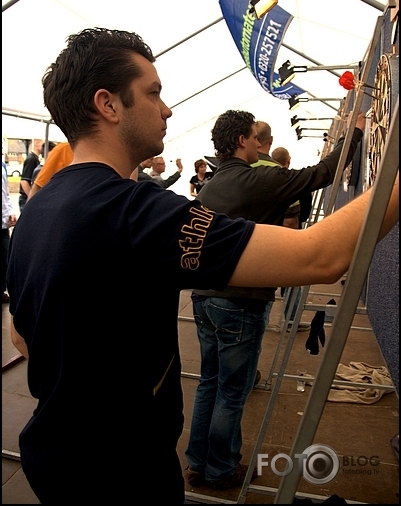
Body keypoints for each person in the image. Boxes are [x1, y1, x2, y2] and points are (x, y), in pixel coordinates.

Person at [6, 28, 398, 505]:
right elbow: (320, 254)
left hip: (56, 458)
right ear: (108, 104)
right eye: (153, 93)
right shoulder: (134, 212)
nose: (167, 108)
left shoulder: (39, 211)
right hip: (121, 473)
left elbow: (22, 336)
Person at [185, 108, 366, 488]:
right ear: (241, 142)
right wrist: (357, 132)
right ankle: (220, 470)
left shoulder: (211, 185)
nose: (258, 143)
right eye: (254, 137)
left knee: (209, 383)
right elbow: (320, 174)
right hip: (240, 301)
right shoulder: (256, 181)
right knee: (232, 392)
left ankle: (198, 463)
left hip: (205, 298)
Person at [2, 163, 17, 303]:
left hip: (3, 223)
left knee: (5, 258)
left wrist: (10, 211)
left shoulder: (2, 166)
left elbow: (5, 194)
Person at [18, 139, 43, 212]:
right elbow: (24, 181)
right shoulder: (31, 159)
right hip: (26, 198)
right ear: (37, 144)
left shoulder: (35, 159)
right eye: (43, 145)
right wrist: (31, 198)